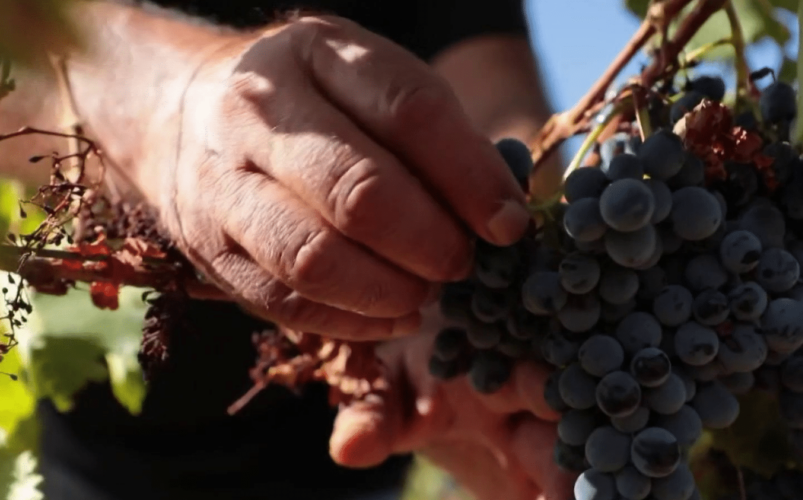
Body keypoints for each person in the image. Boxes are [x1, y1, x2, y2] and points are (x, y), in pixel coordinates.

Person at [0, 1, 570, 499]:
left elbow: (498, 105)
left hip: (356, 450)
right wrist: (162, 103)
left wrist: (491, 270)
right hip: (99, 470)